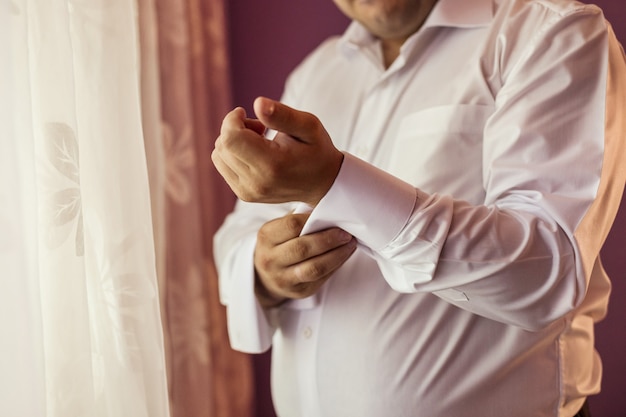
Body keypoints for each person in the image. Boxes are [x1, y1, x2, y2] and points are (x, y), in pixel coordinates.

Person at [212, 0, 626, 415]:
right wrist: (263, 270)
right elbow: (238, 235)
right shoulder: (317, 73)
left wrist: (336, 183)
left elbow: (546, 272)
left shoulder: (553, 32)